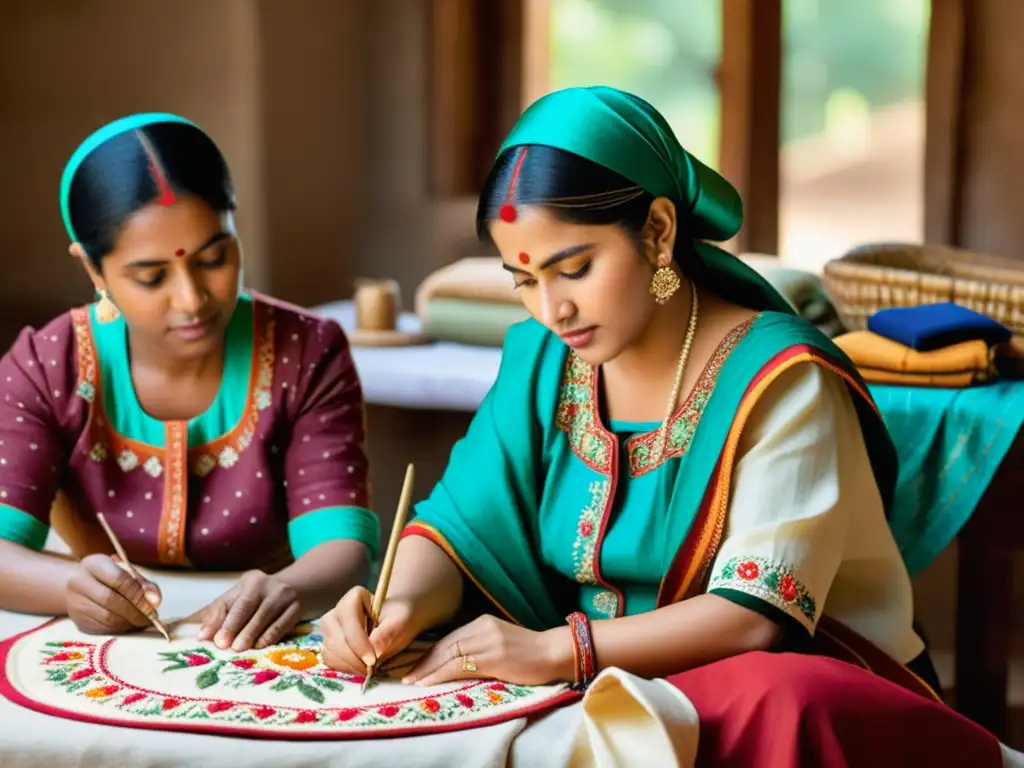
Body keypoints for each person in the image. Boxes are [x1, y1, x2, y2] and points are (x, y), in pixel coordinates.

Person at [317, 87, 1005, 765]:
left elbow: (753, 615)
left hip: (795, 681)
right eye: (523, 281)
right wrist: (398, 603)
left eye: (576, 269)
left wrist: (561, 650)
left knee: (779, 697)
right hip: (608, 682)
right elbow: (460, 523)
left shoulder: (782, 377)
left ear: (658, 231)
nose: (552, 308)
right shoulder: (540, 360)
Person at [0, 113, 379, 653]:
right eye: (151, 276)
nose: (192, 298)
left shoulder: (307, 351)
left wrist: (288, 590)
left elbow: (344, 548)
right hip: (98, 638)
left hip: (260, 638)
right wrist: (70, 587)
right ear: (92, 270)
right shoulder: (47, 365)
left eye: (215, 257)